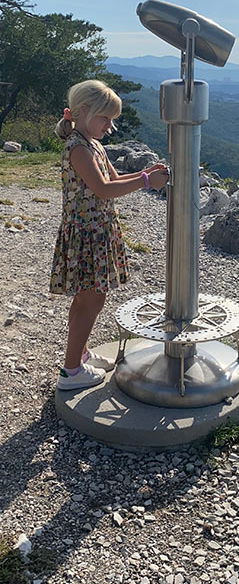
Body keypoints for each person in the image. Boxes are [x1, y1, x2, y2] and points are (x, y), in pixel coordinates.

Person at [48, 80, 166, 391]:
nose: (110, 126)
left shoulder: (93, 144)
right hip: (87, 234)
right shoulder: (77, 148)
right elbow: (102, 189)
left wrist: (146, 174)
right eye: (105, 118)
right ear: (84, 112)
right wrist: (144, 181)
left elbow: (113, 178)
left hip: (97, 230)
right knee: (91, 299)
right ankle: (71, 371)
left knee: (87, 298)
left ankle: (80, 354)